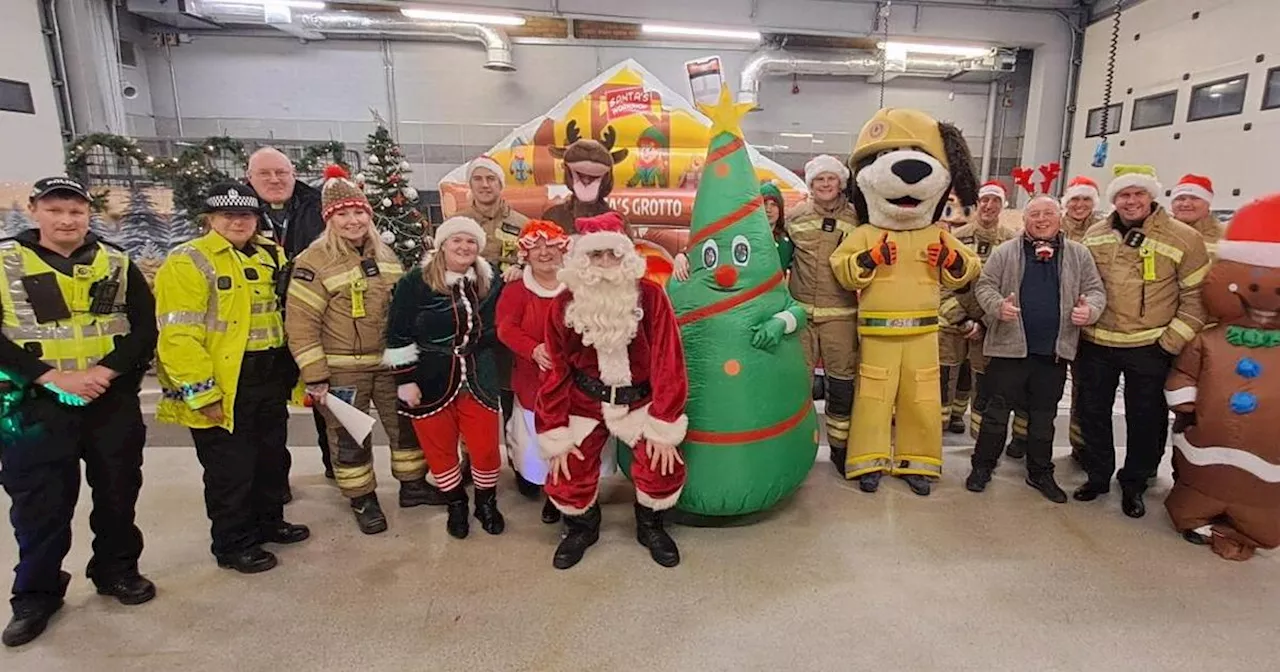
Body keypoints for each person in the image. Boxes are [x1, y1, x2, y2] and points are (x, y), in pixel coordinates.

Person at [0, 177, 157, 647]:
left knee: (117, 493)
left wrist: (105, 373)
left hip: (106, 400)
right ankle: (36, 594)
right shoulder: (6, 262)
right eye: (55, 210)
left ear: (88, 213)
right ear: (34, 211)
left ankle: (116, 570)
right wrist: (51, 378)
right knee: (40, 505)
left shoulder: (115, 262)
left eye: (75, 211)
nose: (67, 220)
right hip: (33, 405)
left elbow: (144, 329)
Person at [155, 182, 310, 574]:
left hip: (269, 375)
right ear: (210, 219)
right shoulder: (188, 261)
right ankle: (233, 543)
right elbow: (178, 335)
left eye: (246, 215)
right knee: (231, 468)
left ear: (257, 219)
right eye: (228, 216)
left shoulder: (271, 255)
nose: (238, 222)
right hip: (224, 381)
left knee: (271, 456)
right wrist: (201, 391)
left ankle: (269, 521)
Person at [830, 107, 981, 496]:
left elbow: (968, 268)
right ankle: (870, 461)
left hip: (923, 333)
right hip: (878, 332)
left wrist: (949, 259)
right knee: (873, 399)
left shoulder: (937, 234)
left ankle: (918, 463)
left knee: (922, 398)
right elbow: (842, 267)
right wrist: (869, 260)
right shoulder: (866, 234)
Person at [284, 166, 442, 535]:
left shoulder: (386, 255)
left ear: (368, 215)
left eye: (358, 212)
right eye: (343, 214)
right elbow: (301, 323)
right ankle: (362, 497)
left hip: (389, 363)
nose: (352, 221)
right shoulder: (313, 261)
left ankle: (412, 485)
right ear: (329, 219)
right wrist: (316, 376)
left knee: (405, 427)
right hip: (342, 370)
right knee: (350, 435)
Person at [535, 212, 688, 569]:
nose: (604, 264)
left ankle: (650, 525)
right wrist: (555, 430)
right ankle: (582, 528)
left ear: (626, 256)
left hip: (640, 400)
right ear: (582, 260)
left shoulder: (650, 296)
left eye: (612, 255)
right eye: (595, 255)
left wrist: (663, 425)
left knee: (661, 465)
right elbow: (556, 371)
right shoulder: (563, 304)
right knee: (566, 471)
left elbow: (669, 360)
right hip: (584, 401)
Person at [1074, 165, 1210, 518]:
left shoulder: (1183, 238)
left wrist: (1169, 342)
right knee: (1092, 413)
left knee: (1146, 420)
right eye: (1123, 195)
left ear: (1151, 197)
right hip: (1097, 342)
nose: (1131, 201)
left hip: (1150, 345)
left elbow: (1196, 297)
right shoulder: (1095, 234)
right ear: (1114, 199)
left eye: (1138, 194)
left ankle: (1135, 483)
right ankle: (1098, 476)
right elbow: (1081, 284)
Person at [964, 196, 1106, 502]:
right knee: (995, 414)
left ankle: (1040, 472)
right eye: (1034, 215)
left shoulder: (1079, 255)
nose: (1041, 220)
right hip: (1007, 351)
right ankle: (982, 467)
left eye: (1048, 214)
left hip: (1052, 353)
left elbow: (1095, 290)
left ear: (1060, 218)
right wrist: (997, 307)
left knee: (1044, 418)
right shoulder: (1005, 252)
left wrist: (1089, 312)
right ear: (1025, 221)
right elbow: (985, 286)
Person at [1163, 194, 1280, 560]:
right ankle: (1194, 515)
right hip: (1208, 437)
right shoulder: (1210, 341)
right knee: (1199, 482)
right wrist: (1183, 394)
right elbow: (1185, 371)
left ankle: (1253, 528)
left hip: (1267, 449)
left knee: (1261, 499)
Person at [383, 216, 506, 540]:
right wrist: (405, 380)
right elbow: (397, 332)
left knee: (486, 449)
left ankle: (486, 503)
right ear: (443, 244)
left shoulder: (490, 279)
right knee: (440, 450)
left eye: (470, 242)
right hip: (429, 379)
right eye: (457, 240)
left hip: (480, 376)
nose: (464, 247)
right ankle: (456, 505)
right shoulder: (416, 281)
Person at [498, 220, 609, 523]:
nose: (544, 252)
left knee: (578, 442)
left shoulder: (579, 285)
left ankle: (577, 496)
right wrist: (533, 348)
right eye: (536, 247)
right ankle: (553, 493)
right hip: (535, 386)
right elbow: (506, 328)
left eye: (550, 245)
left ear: (563, 249)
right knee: (541, 444)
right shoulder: (516, 289)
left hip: (578, 387)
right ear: (525, 254)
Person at [246, 147, 333, 484]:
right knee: (268, 411)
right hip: (264, 327)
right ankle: (274, 483)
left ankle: (337, 466)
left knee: (327, 399)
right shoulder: (240, 211)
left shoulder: (318, 205)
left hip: (317, 320)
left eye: (281, 172)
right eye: (264, 173)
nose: (274, 179)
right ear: (249, 177)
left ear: (293, 172)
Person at [783, 155, 860, 474]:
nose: (825, 185)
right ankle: (796, 447)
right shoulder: (795, 217)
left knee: (841, 384)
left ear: (840, 182)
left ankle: (840, 451)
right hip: (802, 316)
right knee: (798, 384)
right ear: (810, 185)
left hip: (841, 315)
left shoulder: (857, 219)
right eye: (818, 181)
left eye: (830, 179)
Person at [939, 181, 1019, 440]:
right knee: (947, 372)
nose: (989, 206)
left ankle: (978, 434)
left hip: (990, 323)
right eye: (984, 200)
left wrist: (984, 322)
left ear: (1002, 206)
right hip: (954, 319)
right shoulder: (956, 239)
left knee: (980, 377)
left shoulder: (1012, 242)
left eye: (995, 201)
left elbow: (1013, 285)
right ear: (976, 204)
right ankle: (941, 424)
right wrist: (962, 320)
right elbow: (941, 285)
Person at [672, 180, 792, 279]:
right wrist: (683, 255)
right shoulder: (742, 235)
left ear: (780, 209)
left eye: (774, 205)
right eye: (764, 204)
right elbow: (711, 245)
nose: (768, 209)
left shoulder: (787, 241)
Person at [457, 155, 529, 282]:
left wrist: (522, 270)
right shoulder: (456, 224)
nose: (485, 185)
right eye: (477, 179)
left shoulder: (524, 224)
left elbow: (535, 264)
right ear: (470, 184)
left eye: (491, 178)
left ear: (500, 184)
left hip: (509, 292)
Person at [543, 138, 631, 236]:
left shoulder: (618, 221)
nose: (586, 180)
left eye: (593, 177)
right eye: (580, 175)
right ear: (569, 175)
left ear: (606, 179)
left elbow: (627, 249)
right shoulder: (553, 216)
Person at [1169, 174, 1225, 256]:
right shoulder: (1159, 232)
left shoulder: (1226, 236)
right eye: (1180, 199)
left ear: (1208, 203)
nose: (1186, 204)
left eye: (1194, 198)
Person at [1060, 175, 1104, 243]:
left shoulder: (1103, 227)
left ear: (1094, 203)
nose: (1080, 205)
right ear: (1066, 202)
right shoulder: (1055, 224)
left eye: (1086, 199)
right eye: (1075, 199)